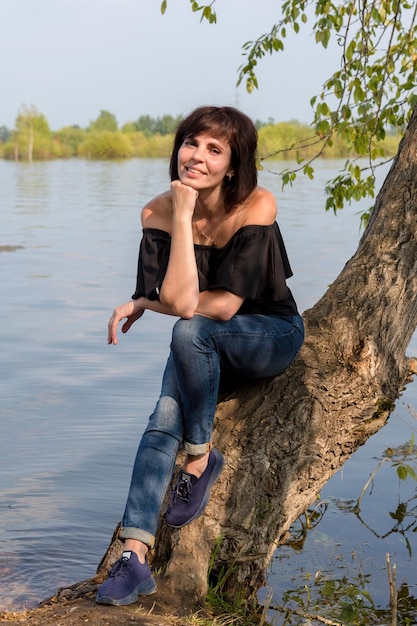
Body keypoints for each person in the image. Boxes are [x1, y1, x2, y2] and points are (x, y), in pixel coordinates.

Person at [96, 105, 304, 606]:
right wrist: (184, 217)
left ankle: (199, 456)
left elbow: (218, 305)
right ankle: (135, 556)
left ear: (232, 165)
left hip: (267, 334)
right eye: (192, 143)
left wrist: (148, 301)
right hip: (202, 341)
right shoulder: (158, 212)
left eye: (215, 149)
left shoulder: (258, 204)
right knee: (162, 416)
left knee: (189, 333)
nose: (198, 156)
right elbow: (183, 301)